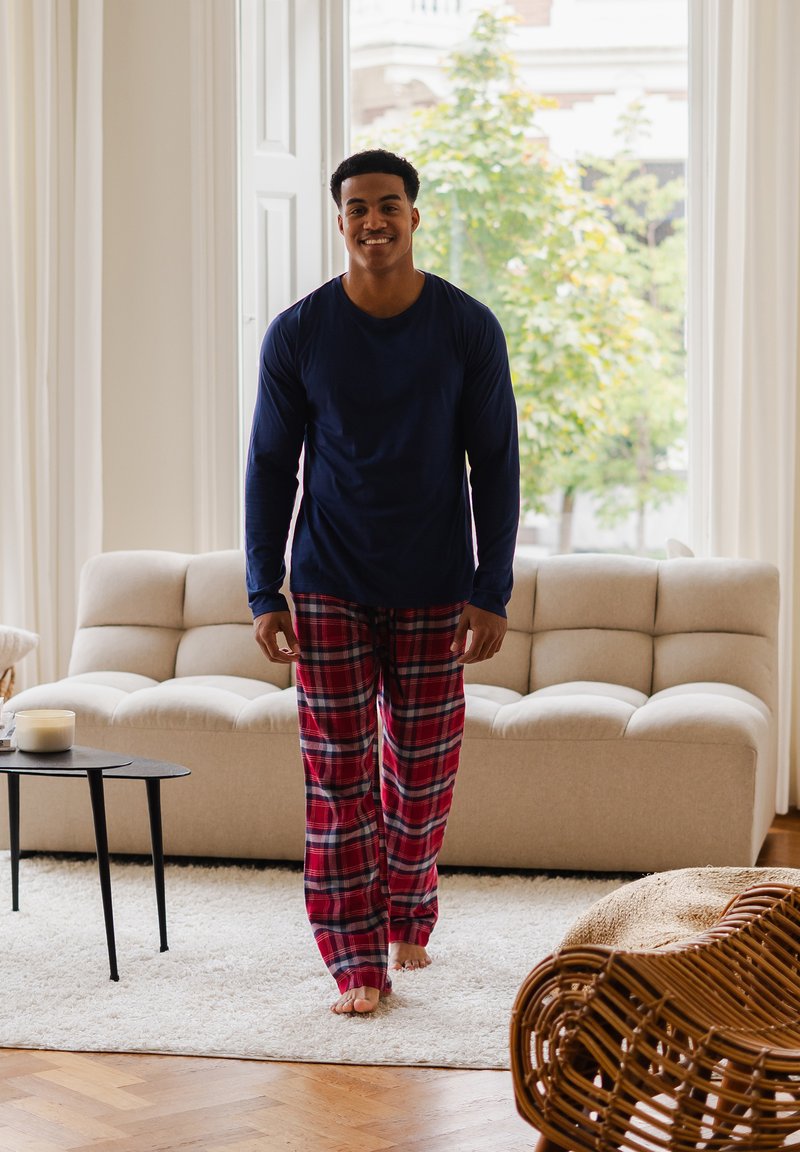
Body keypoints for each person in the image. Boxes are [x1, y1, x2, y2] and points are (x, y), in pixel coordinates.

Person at [245, 148, 520, 1015]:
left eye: (389, 205)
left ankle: (409, 904)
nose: (374, 220)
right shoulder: (297, 333)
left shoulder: (467, 327)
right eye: (358, 207)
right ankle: (355, 958)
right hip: (327, 580)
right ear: (339, 221)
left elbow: (497, 465)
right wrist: (264, 587)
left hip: (438, 582)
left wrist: (494, 587)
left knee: (425, 772)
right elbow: (268, 467)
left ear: (413, 215)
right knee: (338, 776)